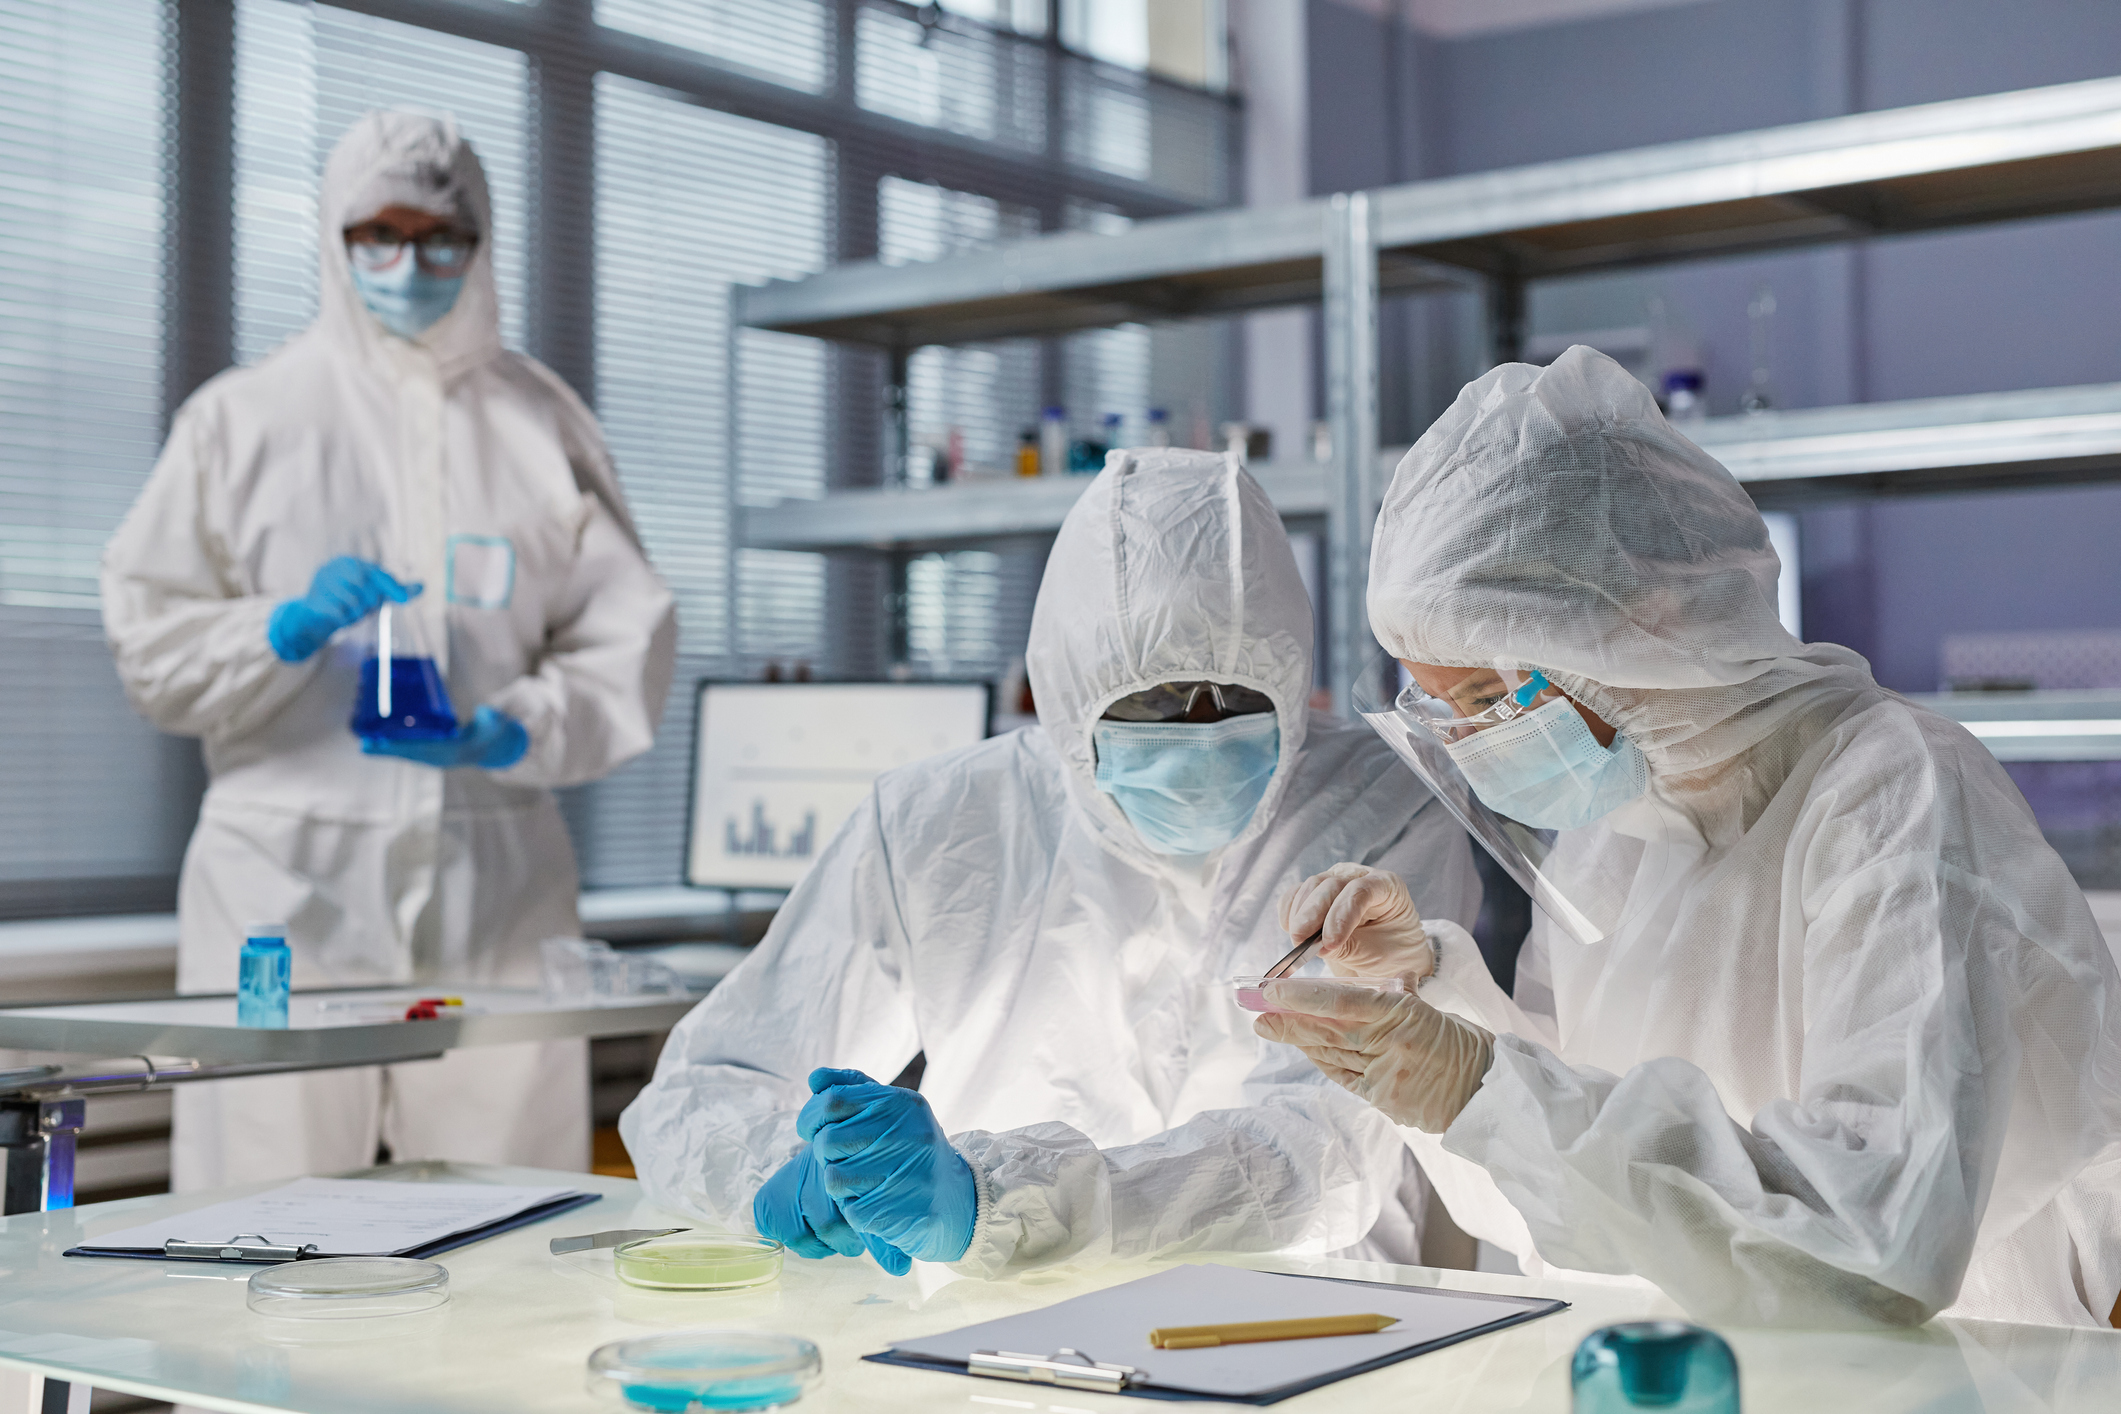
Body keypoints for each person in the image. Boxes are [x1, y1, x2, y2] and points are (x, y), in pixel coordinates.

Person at [1255, 346, 2121, 1328]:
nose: (1479, 744)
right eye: (1447, 710)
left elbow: (1868, 1250)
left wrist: (1480, 1085)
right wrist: (1434, 1001)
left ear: (1642, 618)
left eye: (1493, 695)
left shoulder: (1891, 791)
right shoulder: (1615, 828)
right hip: (1717, 1364)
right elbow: (1574, 1212)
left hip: (1979, 1363)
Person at [621, 448, 1481, 1276]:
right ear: (1067, 695)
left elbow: (1319, 1153)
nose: (1199, 728)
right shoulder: (940, 818)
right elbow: (709, 1084)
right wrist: (792, 1172)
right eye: (1149, 698)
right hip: (988, 1299)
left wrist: (997, 1200)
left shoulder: (1386, 804)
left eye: (1237, 696)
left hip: (1297, 1307)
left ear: (1292, 678)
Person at [101, 111, 677, 1188]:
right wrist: (275, 628)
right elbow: (148, 644)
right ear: (337, 236)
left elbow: (625, 633)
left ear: (481, 238)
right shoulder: (243, 420)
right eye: (379, 233)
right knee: (258, 1208)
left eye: (438, 234)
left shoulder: (541, 424)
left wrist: (522, 725)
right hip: (281, 885)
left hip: (495, 874)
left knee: (510, 1204)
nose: (408, 261)